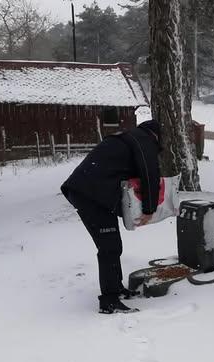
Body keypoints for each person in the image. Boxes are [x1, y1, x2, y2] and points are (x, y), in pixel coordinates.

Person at [61, 119, 161, 314]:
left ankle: (116, 289)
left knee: (113, 245)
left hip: (88, 192)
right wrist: (149, 210)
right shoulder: (144, 140)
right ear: (155, 136)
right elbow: (150, 174)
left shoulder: (128, 138)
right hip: (90, 194)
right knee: (109, 247)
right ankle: (109, 301)